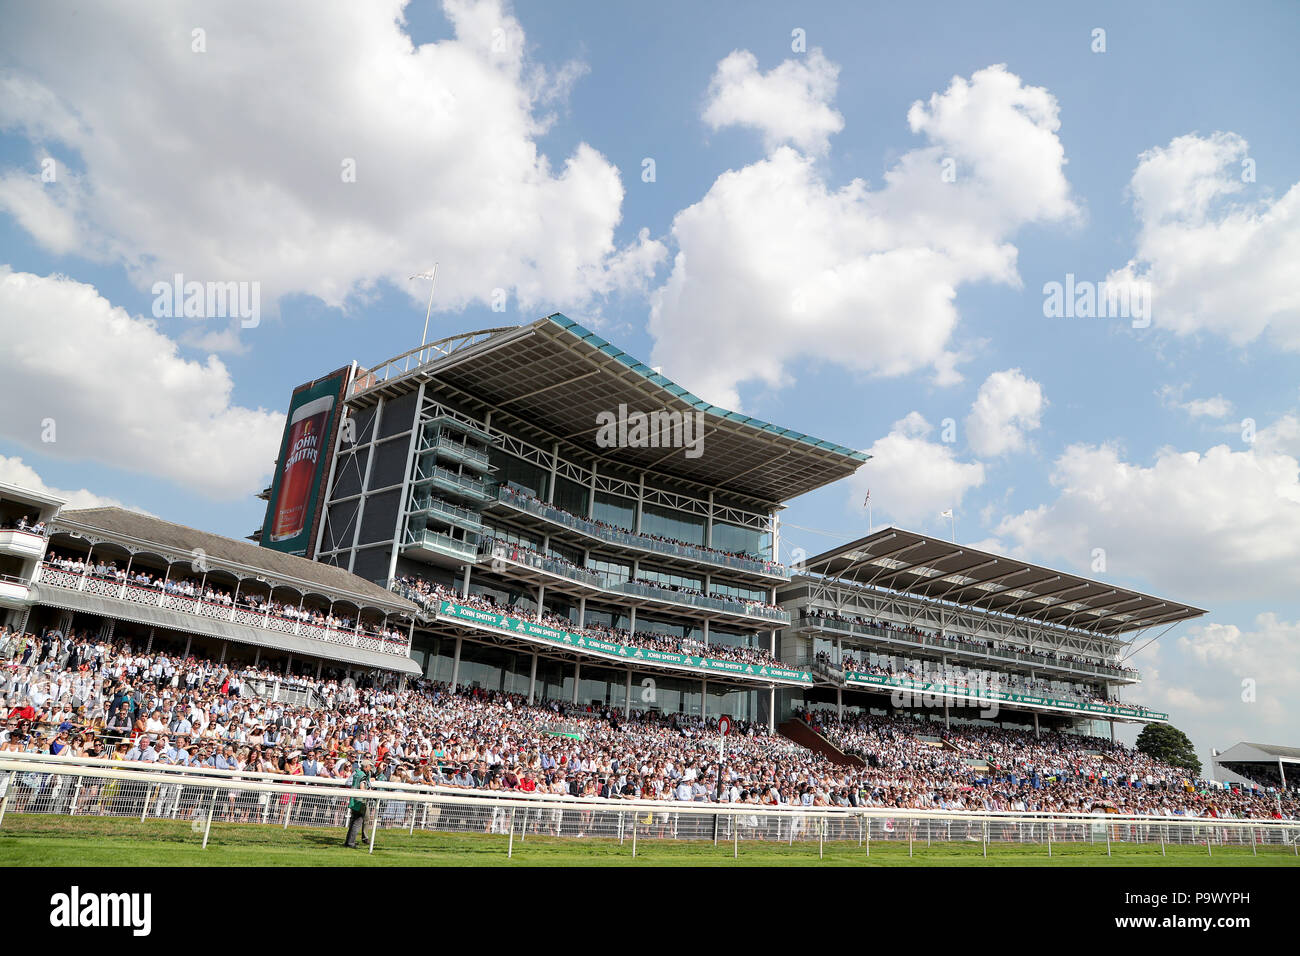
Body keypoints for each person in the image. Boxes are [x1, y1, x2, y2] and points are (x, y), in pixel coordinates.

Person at [344, 757, 373, 848]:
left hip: (354, 800)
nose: (370, 768)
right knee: (357, 822)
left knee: (353, 822)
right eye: (369, 767)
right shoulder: (362, 775)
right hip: (360, 802)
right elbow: (362, 788)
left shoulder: (356, 773)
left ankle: (348, 841)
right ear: (365, 767)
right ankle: (351, 843)